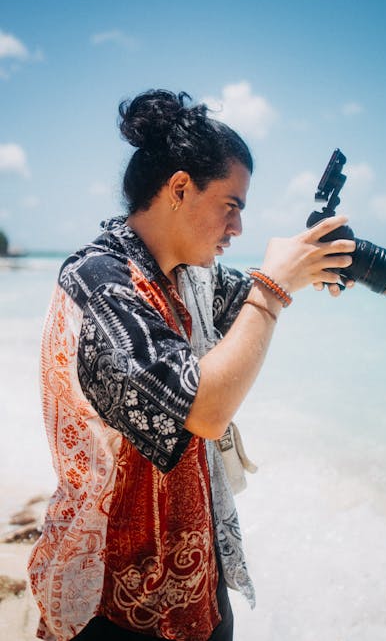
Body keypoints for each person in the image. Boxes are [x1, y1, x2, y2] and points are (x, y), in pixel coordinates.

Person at [28, 89, 355, 641]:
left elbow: (247, 301)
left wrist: (307, 265)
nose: (238, 229)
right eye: (232, 206)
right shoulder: (100, 282)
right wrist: (274, 290)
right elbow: (203, 409)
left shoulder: (187, 276)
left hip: (196, 569)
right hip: (114, 595)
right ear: (180, 188)